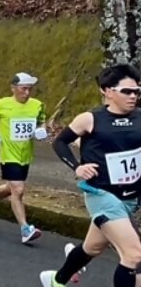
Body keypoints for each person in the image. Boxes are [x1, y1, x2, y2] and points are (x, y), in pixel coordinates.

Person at [39, 63, 141, 287]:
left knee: (92, 248)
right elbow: (60, 142)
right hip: (101, 195)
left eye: (137, 91)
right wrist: (77, 167)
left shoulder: (139, 118)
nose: (133, 96)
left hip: (130, 197)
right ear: (107, 91)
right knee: (134, 256)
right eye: (127, 91)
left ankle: (56, 280)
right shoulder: (90, 119)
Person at [0, 72, 48, 244]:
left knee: (10, 188)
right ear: (13, 88)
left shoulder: (37, 105)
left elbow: (42, 120)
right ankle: (25, 229)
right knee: (18, 190)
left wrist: (42, 129)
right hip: (8, 154)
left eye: (30, 89)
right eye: (23, 89)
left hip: (25, 154)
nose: (27, 93)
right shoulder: (2, 104)